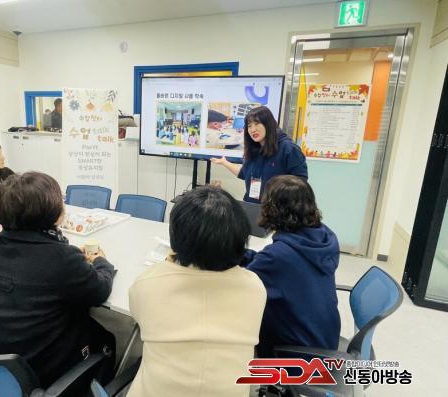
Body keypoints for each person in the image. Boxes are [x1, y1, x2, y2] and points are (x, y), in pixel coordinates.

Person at [0, 172, 116, 389]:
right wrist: (101, 262)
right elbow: (100, 290)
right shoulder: (61, 258)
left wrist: (71, 258)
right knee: (107, 339)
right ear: (53, 213)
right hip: (36, 371)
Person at [127, 186, 266, 397]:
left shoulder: (149, 283)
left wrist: (170, 263)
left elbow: (138, 316)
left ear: (176, 240)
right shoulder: (255, 288)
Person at [243, 175, 340, 357]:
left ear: (272, 209)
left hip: (297, 355)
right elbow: (276, 265)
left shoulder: (277, 256)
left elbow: (240, 286)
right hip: (322, 341)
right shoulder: (324, 238)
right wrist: (241, 255)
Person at [211, 106, 307, 204]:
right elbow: (244, 173)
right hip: (252, 204)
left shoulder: (288, 149)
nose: (253, 130)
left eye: (257, 124)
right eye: (249, 126)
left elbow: (300, 182)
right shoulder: (254, 148)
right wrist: (224, 162)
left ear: (268, 124)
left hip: (276, 208)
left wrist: (278, 196)